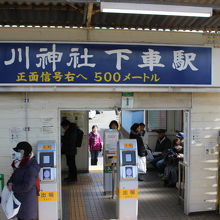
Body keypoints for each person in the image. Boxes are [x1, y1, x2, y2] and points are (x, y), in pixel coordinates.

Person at [7, 141, 40, 220]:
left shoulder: (31, 166)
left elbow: (27, 186)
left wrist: (13, 187)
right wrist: (9, 182)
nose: (16, 153)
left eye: (18, 151)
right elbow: (14, 174)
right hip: (20, 200)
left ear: (23, 152)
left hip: (27, 202)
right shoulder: (21, 162)